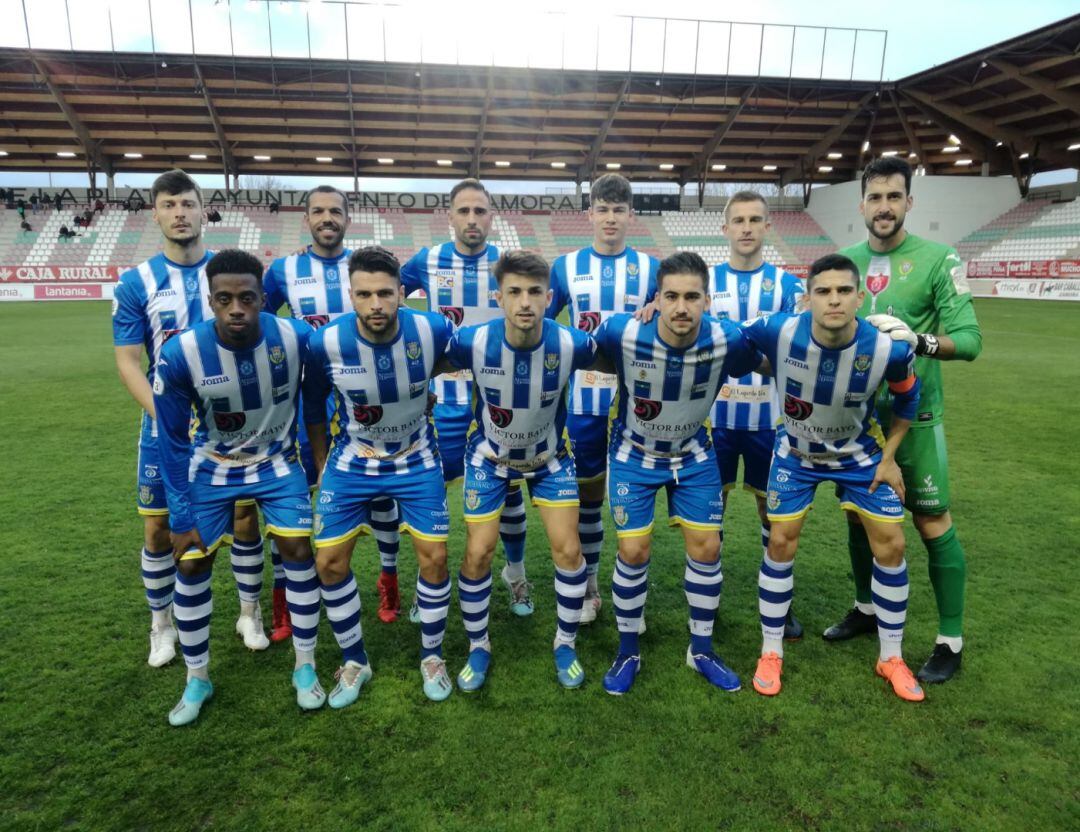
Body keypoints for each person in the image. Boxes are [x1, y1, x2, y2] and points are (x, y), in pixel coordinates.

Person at [826, 156, 982, 684]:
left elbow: (971, 343)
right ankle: (866, 608)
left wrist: (919, 341)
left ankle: (949, 640)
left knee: (930, 519)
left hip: (917, 420)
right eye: (875, 197)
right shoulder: (842, 262)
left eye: (894, 197)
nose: (884, 207)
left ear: (908, 202)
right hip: (856, 422)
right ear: (862, 204)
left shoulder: (939, 259)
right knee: (855, 515)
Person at [743, 253, 925, 702]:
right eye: (823, 291)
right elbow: (725, 339)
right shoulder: (779, 330)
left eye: (844, 290)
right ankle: (771, 650)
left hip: (860, 455)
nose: (834, 300)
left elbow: (907, 404)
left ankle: (891, 656)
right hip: (796, 454)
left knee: (893, 544)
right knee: (780, 541)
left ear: (860, 296)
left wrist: (889, 459)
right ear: (808, 298)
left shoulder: (889, 350)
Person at [154, 249, 320, 725]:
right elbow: (170, 442)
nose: (236, 309)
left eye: (247, 298)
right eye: (225, 299)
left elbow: (320, 397)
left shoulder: (296, 338)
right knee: (190, 564)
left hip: (276, 463)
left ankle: (305, 667)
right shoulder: (181, 353)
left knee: (297, 550)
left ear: (263, 298)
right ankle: (197, 677)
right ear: (210, 301)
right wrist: (181, 516)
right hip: (212, 466)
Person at [112, 169, 266, 669]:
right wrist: (171, 416)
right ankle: (161, 625)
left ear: (204, 210)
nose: (179, 213)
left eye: (188, 203)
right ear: (155, 214)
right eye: (169, 205)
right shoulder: (137, 282)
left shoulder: (229, 274)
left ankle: (249, 612)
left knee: (244, 518)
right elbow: (128, 362)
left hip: (234, 426)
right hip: (165, 428)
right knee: (158, 529)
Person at [594, 251, 762, 696]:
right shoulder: (623, 332)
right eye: (671, 296)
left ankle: (701, 649)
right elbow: (586, 354)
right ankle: (628, 649)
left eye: (692, 296)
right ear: (656, 298)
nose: (681, 307)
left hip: (693, 455)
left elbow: (770, 356)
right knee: (633, 551)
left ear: (708, 300)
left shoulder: (728, 340)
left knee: (707, 548)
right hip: (633, 454)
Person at [302, 246, 457, 706]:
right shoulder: (325, 342)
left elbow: (474, 355)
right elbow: (313, 405)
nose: (375, 304)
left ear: (401, 293)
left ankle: (432, 656)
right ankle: (355, 660)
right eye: (364, 294)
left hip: (415, 456)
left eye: (385, 293)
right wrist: (322, 459)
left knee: (433, 557)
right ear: (350, 295)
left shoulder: (432, 329)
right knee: (328, 563)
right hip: (351, 461)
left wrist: (426, 397)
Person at [445, 250, 599, 691]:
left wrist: (648, 314)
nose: (525, 301)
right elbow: (426, 361)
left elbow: (617, 354)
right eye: (514, 292)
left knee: (569, 551)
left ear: (550, 297)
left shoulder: (571, 343)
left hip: (549, 459)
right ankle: (479, 645)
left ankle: (565, 643)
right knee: (477, 553)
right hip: (489, 460)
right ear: (499, 297)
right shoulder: (471, 342)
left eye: (534, 292)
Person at [263, 185, 401, 638]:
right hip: (298, 404)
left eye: (335, 211)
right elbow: (259, 325)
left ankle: (388, 578)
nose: (327, 218)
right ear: (306, 219)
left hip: (363, 401)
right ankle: (285, 596)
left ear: (347, 217)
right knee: (293, 498)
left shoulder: (365, 268)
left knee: (381, 492)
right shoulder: (283, 270)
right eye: (318, 211)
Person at [399, 179, 532, 620]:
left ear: (492, 217)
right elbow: (388, 292)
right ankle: (429, 584)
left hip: (498, 402)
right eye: (464, 211)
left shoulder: (508, 264)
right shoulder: (427, 260)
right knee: (429, 497)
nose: (472, 220)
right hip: (440, 398)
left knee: (508, 491)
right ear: (450, 215)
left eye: (481, 211)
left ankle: (515, 575)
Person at [547, 173, 660, 625]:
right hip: (586, 398)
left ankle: (632, 584)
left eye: (619, 210)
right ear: (589, 213)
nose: (610, 218)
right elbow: (545, 322)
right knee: (589, 491)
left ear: (631, 215)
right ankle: (591, 582)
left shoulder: (653, 269)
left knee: (635, 493)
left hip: (642, 399)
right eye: (603, 209)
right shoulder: (565, 266)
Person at [708, 190, 805, 639]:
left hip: (772, 421)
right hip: (716, 421)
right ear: (725, 229)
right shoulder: (705, 282)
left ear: (768, 228)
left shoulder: (788, 287)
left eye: (755, 220)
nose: (746, 228)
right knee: (713, 512)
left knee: (774, 514)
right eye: (738, 220)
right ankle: (711, 595)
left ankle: (778, 603)